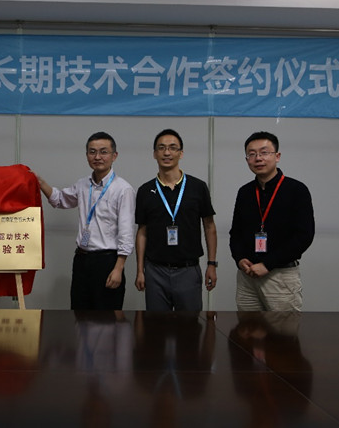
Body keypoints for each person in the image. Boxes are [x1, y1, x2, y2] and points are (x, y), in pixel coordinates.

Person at [36, 131, 135, 310]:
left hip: (107, 262)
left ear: (114, 156)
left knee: (106, 319)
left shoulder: (123, 189)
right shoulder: (83, 184)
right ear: (87, 155)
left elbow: (126, 232)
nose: (97, 157)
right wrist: (40, 183)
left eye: (103, 152)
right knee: (79, 314)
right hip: (82, 260)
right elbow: (60, 200)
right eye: (92, 152)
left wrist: (118, 268)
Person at [229, 131, 314, 311]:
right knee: (246, 327)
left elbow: (304, 236)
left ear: (277, 156)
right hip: (247, 277)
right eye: (252, 154)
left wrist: (267, 264)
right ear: (247, 160)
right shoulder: (245, 192)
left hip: (280, 276)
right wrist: (240, 259)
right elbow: (235, 233)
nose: (258, 158)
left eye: (264, 152)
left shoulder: (296, 190)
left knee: (284, 328)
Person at [134, 129, 217, 311]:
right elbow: (142, 232)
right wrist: (140, 270)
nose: (167, 153)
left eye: (172, 148)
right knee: (156, 325)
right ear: (154, 153)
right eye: (161, 148)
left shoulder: (198, 187)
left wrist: (212, 264)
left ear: (181, 153)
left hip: (188, 270)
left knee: (190, 326)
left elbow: (209, 226)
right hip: (155, 271)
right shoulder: (145, 191)